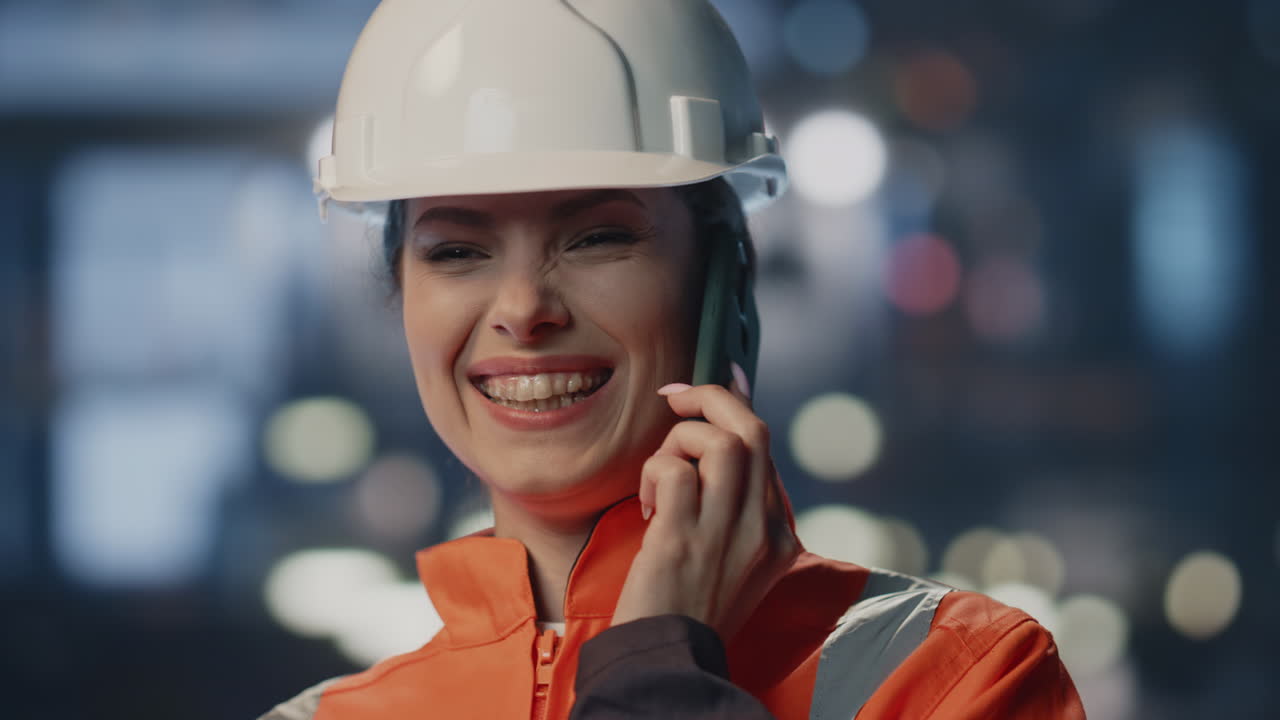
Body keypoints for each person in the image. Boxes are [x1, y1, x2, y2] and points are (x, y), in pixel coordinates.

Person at [263, 1, 1086, 718]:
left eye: (598, 238)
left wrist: (659, 674)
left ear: (724, 281)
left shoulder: (955, 678)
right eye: (456, 252)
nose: (522, 310)